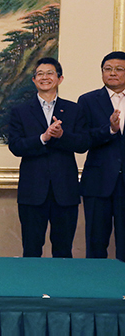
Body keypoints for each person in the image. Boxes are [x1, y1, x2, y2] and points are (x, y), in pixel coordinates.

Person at [8, 57, 88, 258]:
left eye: (50, 73)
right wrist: (42, 138)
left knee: (63, 250)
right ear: (34, 80)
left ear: (60, 79)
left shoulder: (74, 109)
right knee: (31, 249)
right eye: (40, 74)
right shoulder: (20, 111)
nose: (45, 77)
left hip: (65, 190)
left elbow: (83, 144)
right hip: (32, 190)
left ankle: (62, 281)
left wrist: (62, 136)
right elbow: (15, 146)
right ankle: (32, 281)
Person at [78, 51, 125, 261]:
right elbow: (82, 139)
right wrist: (110, 130)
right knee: (96, 243)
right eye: (108, 69)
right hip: (98, 182)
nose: (112, 73)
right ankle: (95, 282)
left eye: (119, 69)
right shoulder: (88, 101)